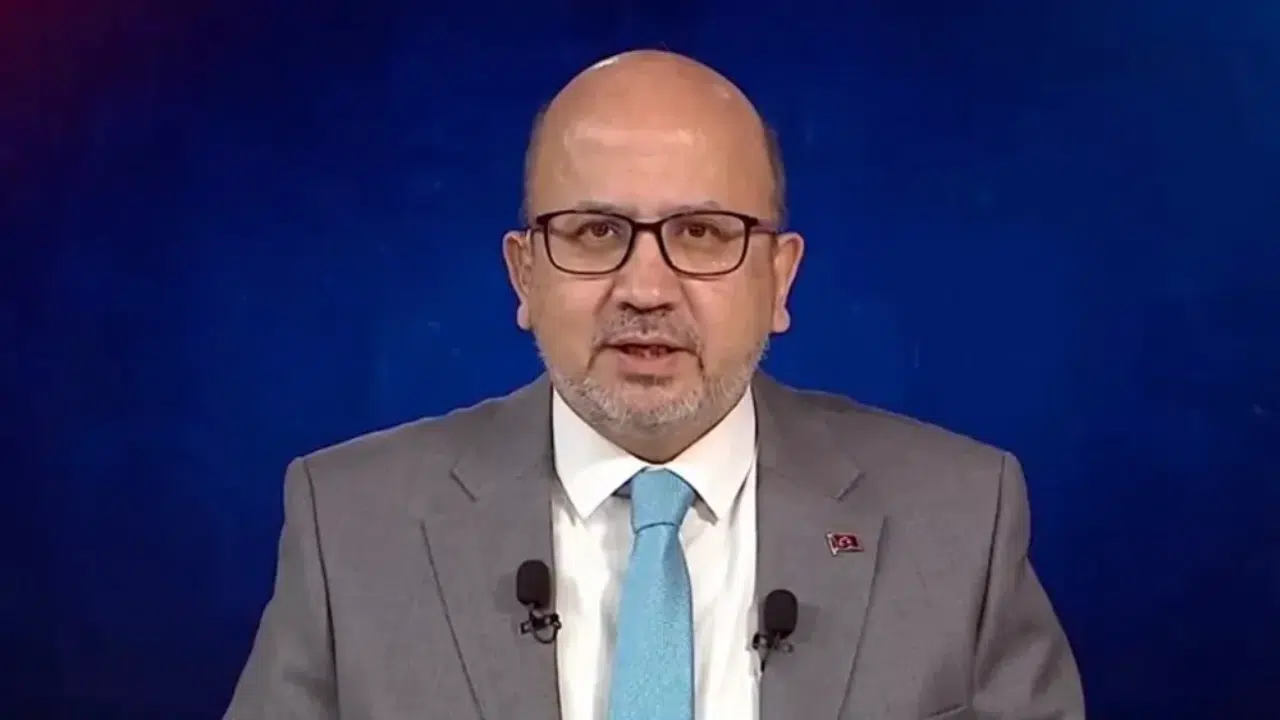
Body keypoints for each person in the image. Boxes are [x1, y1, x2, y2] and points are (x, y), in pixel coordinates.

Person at [224, 50, 1085, 720]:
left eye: (703, 233)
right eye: (595, 233)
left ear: (779, 280)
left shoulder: (960, 522)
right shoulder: (351, 527)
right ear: (525, 276)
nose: (645, 288)